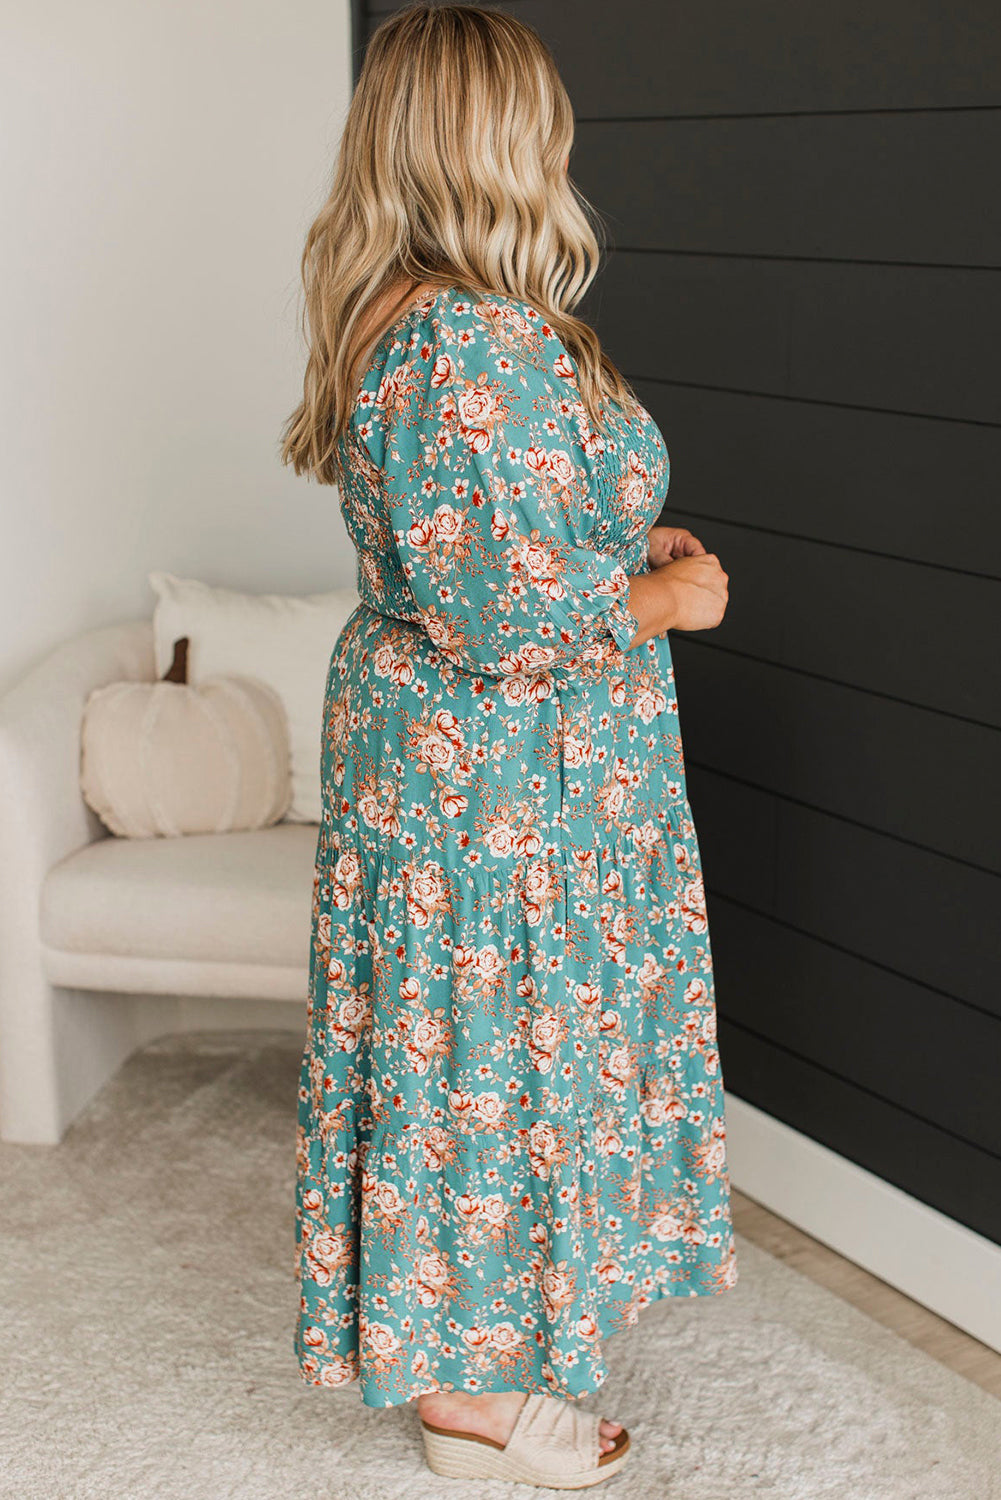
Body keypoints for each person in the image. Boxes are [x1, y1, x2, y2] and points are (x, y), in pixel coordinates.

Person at [280, 3, 736, 1487]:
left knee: (460, 1051)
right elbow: (497, 607)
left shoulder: (401, 312)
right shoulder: (470, 333)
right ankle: (472, 1398)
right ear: (495, 141)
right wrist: (658, 599)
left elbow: (480, 539)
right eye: (539, 121)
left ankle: (464, 1356)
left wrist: (614, 544)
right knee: (496, 1055)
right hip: (501, 778)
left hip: (453, 766)